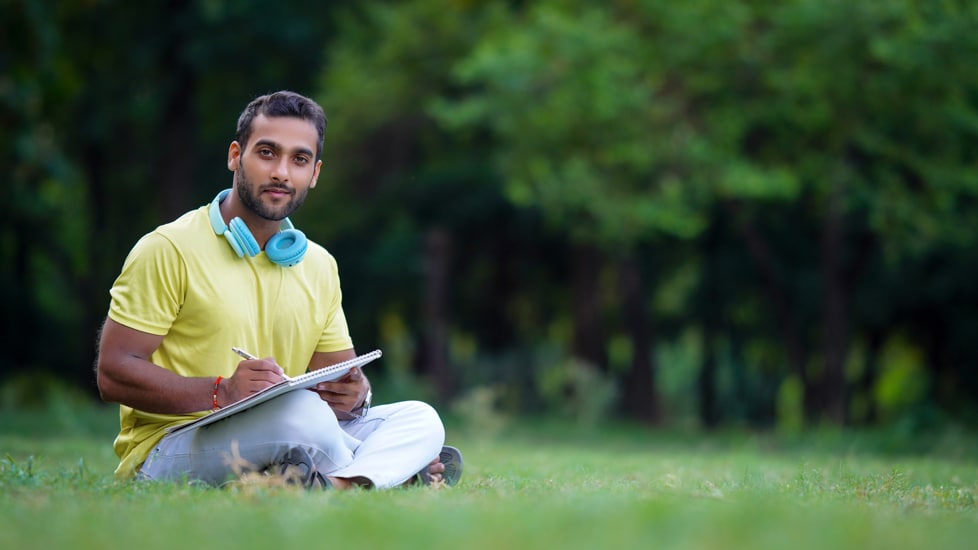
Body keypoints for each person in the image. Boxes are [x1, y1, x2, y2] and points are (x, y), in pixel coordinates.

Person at [96, 90, 461, 489]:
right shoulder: (168, 248)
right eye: (267, 153)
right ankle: (393, 473)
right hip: (170, 447)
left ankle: (334, 485)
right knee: (304, 416)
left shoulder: (319, 264)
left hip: (287, 433)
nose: (282, 173)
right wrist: (222, 391)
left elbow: (339, 382)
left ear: (315, 173)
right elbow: (114, 373)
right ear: (236, 156)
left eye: (299, 159)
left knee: (419, 417)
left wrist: (356, 395)